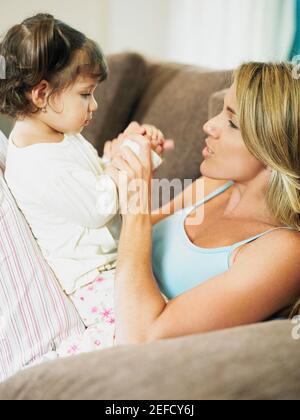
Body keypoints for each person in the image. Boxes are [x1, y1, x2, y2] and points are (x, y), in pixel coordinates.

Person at [0, 14, 171, 357]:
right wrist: (131, 159)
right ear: (42, 94)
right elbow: (97, 207)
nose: (94, 106)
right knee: (139, 337)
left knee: (163, 315)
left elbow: (95, 177)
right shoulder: (36, 162)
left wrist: (134, 154)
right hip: (91, 280)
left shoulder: (61, 136)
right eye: (86, 94)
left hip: (113, 263)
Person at [106, 62, 300, 345]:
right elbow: (123, 242)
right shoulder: (217, 184)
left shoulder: (284, 253)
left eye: (232, 122)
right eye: (222, 110)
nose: (209, 125)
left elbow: (142, 336)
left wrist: (135, 200)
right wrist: (116, 171)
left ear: (273, 148)